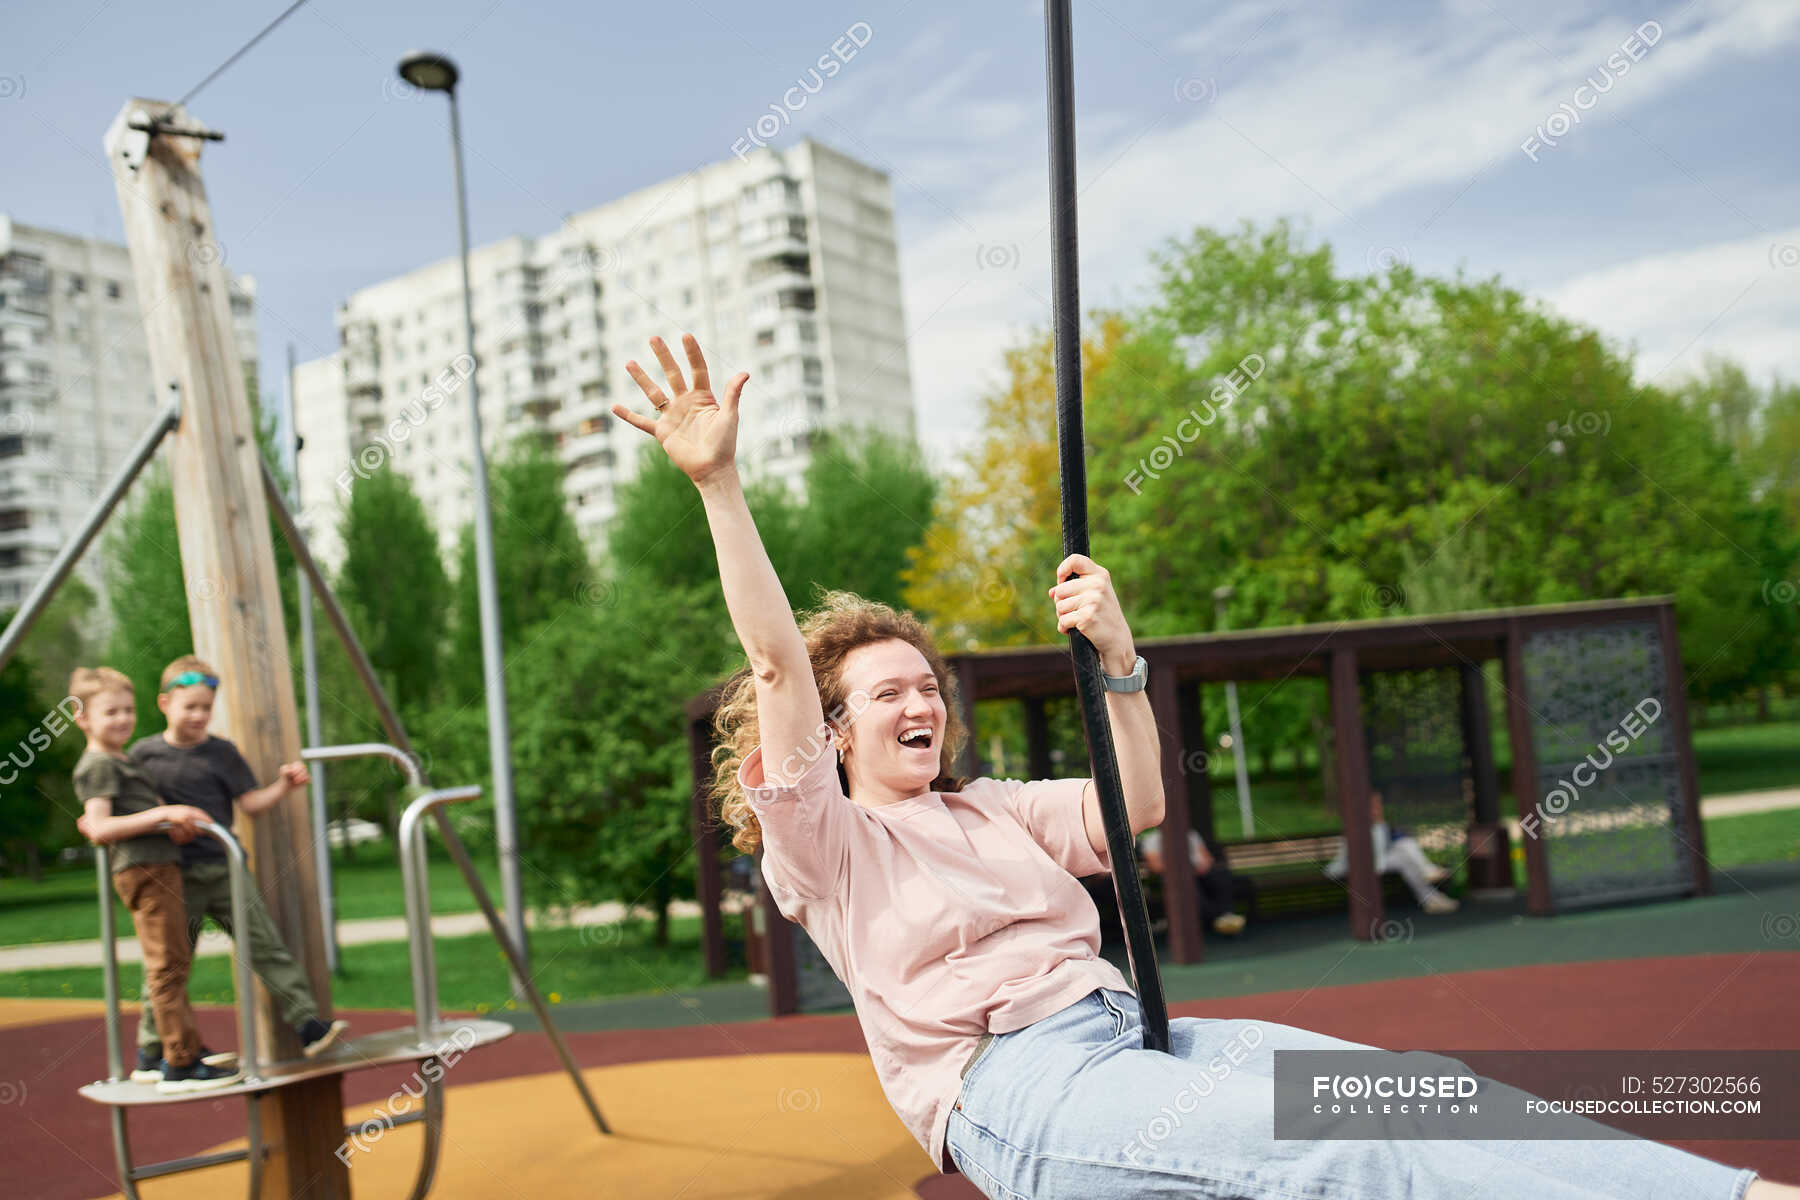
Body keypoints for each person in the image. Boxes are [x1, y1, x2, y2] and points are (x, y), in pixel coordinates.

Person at [615, 333, 1788, 1198]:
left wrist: (1120, 659)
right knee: (1336, 1152)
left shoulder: (992, 812)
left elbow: (1140, 803)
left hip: (1136, 1031)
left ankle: (1730, 1196)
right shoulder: (827, 848)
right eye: (887, 693)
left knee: (1406, 1091)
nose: (921, 700)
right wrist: (720, 483)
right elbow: (772, 665)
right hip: (1014, 1090)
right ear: (835, 729)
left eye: (928, 683)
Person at [127, 655, 347, 1073]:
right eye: (189, 706)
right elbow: (137, 807)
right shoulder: (144, 756)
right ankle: (152, 1049)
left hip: (225, 867)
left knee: (264, 944)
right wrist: (158, 818)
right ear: (164, 704)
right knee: (170, 962)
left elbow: (250, 804)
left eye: (206, 707)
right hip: (174, 876)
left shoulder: (222, 753)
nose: (198, 715)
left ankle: (308, 1025)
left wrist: (283, 786)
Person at [70, 667, 241, 1093]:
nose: (123, 719)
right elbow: (100, 827)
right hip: (144, 871)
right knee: (167, 966)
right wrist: (165, 814)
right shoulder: (97, 765)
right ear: (83, 719)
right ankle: (179, 1063)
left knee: (175, 961)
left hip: (161, 865)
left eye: (128, 710)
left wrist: (176, 821)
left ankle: (159, 1053)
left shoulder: (123, 759)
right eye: (110, 712)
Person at [1323, 789, 1460, 914]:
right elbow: (1362, 857)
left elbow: (1381, 851)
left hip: (1377, 862)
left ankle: (1431, 897)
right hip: (1361, 868)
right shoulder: (1357, 826)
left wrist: (1380, 825)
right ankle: (1428, 881)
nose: (1378, 809)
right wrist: (1379, 825)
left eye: (1379, 805)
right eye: (1374, 805)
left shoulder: (1377, 825)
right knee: (1405, 852)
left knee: (1405, 850)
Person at [1139, 826, 1247, 935]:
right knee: (1188, 886)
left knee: (1221, 875)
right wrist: (1183, 870)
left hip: (1199, 872)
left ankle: (1226, 914)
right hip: (1175, 877)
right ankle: (1215, 918)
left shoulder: (1191, 834)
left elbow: (1207, 858)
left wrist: (1202, 867)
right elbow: (1156, 866)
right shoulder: (1152, 839)